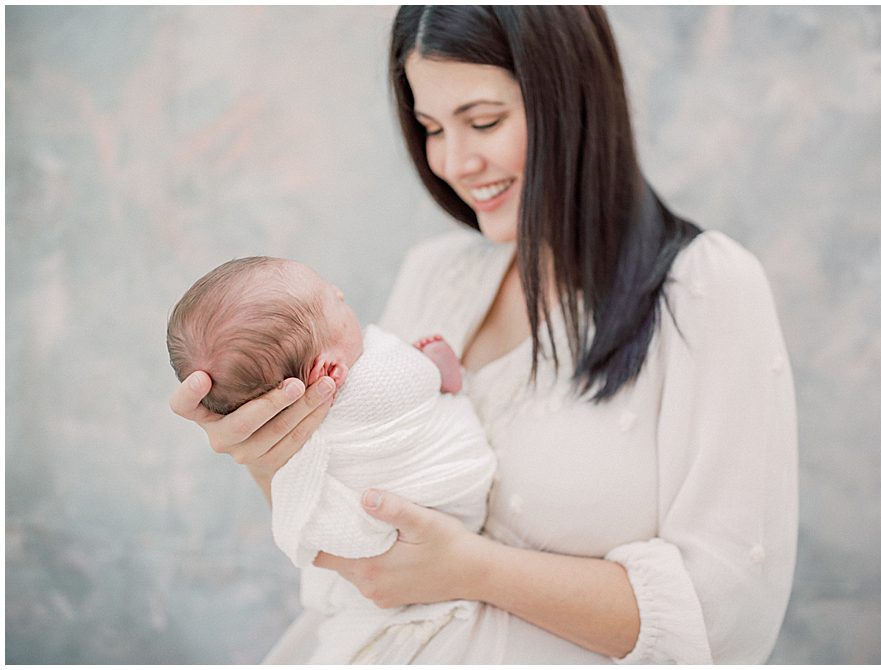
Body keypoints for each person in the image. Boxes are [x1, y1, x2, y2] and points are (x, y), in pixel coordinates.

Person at [169, 6, 798, 664]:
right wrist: (270, 454)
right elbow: (358, 536)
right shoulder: (436, 274)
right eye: (431, 127)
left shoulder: (705, 287)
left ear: (573, 99)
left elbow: (725, 621)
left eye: (484, 121)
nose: (453, 161)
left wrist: (471, 569)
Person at [166, 256, 496, 663]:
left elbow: (302, 503)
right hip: (449, 494)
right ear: (329, 369)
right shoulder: (377, 375)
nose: (341, 294)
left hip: (417, 553)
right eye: (333, 302)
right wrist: (431, 366)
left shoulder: (294, 430)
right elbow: (421, 380)